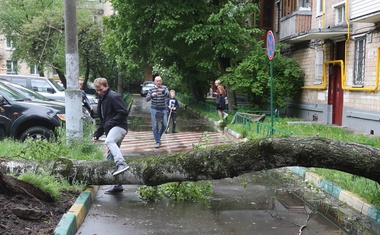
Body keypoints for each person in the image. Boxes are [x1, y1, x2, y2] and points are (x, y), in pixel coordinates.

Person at [92, 77, 130, 194]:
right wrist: (97, 134)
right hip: (112, 129)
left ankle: (122, 164)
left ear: (106, 85)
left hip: (119, 128)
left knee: (109, 141)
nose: (99, 92)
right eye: (97, 90)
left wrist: (110, 123)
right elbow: (103, 120)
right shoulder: (102, 99)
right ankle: (118, 185)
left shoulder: (114, 96)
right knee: (110, 158)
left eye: (101, 89)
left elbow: (123, 112)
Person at [146, 76, 170, 148]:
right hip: (154, 109)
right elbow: (147, 99)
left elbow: (168, 95)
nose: (159, 82)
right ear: (154, 82)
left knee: (165, 125)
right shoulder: (151, 89)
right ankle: (157, 142)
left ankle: (158, 137)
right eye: (157, 81)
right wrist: (152, 95)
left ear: (161, 81)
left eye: (160, 81)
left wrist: (162, 91)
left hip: (163, 109)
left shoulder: (164, 88)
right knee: (155, 125)